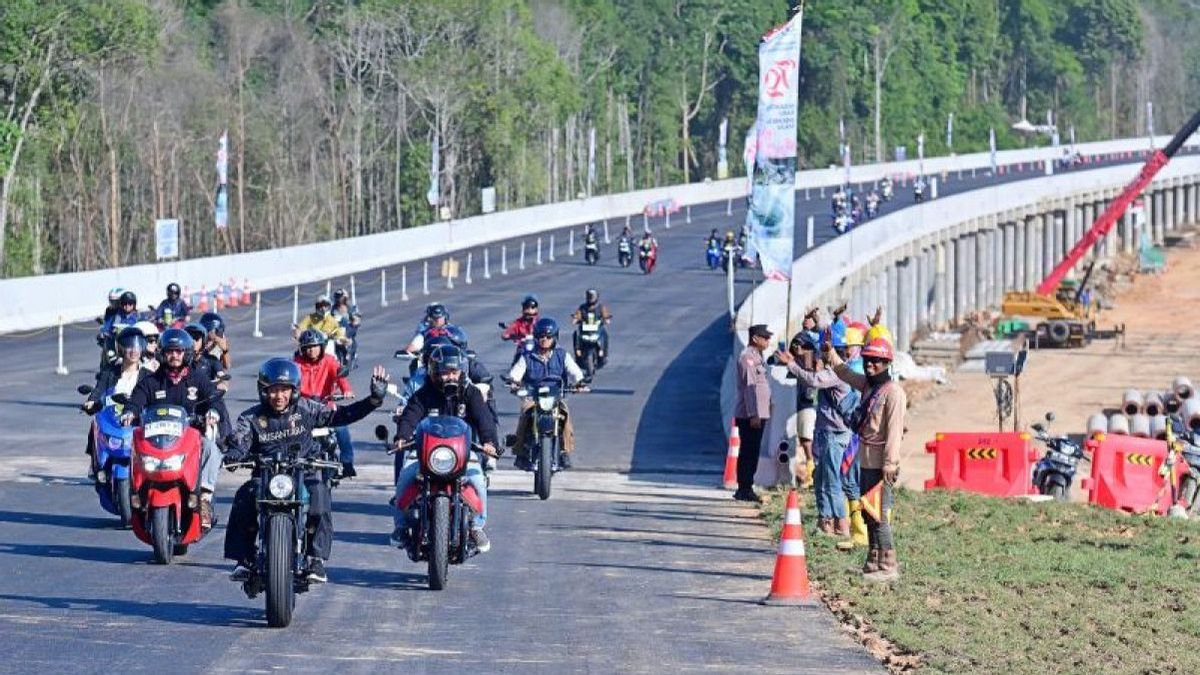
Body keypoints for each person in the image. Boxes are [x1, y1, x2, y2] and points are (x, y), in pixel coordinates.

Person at [223, 359, 390, 583]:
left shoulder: (307, 408)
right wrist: (235, 452)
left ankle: (315, 558)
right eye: (273, 390)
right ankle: (243, 559)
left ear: (294, 390)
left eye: (284, 390)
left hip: (305, 471)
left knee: (320, 493)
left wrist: (374, 401)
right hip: (266, 476)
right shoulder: (251, 418)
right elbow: (240, 440)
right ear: (263, 391)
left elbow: (341, 416)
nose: (279, 396)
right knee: (244, 496)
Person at [390, 345, 497, 553]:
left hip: (463, 453)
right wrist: (402, 437)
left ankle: (477, 527)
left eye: (454, 372)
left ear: (461, 371)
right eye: (445, 372)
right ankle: (401, 527)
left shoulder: (470, 393)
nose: (450, 376)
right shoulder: (424, 394)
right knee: (404, 476)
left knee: (478, 480)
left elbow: (485, 419)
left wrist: (489, 442)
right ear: (434, 371)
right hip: (425, 452)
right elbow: (411, 415)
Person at [123, 328, 231, 532]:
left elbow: (214, 400)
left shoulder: (198, 378)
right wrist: (129, 412)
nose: (174, 356)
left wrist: (213, 412)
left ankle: (205, 499)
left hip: (189, 438)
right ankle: (137, 494)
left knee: (211, 448)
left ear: (187, 353)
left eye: (179, 351)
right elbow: (136, 400)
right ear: (163, 353)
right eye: (170, 351)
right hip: (158, 440)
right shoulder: (151, 381)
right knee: (133, 447)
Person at [827, 336, 906, 582]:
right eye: (868, 360)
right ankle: (873, 559)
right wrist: (829, 351)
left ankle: (888, 562)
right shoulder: (869, 386)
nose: (870, 365)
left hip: (881, 463)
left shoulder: (893, 393)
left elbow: (894, 431)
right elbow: (844, 373)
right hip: (865, 460)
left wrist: (890, 464)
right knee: (868, 513)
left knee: (879, 514)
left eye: (876, 361)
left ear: (887, 363)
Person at [775, 312, 859, 537]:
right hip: (826, 432)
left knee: (832, 481)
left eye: (825, 351)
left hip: (834, 432)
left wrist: (792, 364)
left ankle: (841, 524)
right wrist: (819, 319)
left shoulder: (839, 373)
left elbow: (813, 380)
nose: (821, 354)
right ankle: (826, 521)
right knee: (821, 478)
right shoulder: (836, 367)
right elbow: (827, 334)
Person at [507, 317, 586, 470]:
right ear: (536, 337)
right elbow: (515, 374)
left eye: (548, 337)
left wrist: (579, 383)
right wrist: (514, 383)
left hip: (555, 397)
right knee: (525, 414)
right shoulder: (527, 357)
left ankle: (564, 452)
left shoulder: (562, 355)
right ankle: (520, 453)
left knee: (565, 415)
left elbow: (576, 373)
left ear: (555, 338)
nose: (544, 340)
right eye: (541, 336)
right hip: (533, 398)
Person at [82, 326, 152, 477]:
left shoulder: (148, 376)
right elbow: (99, 390)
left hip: (139, 419)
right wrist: (91, 401)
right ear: (120, 348)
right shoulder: (110, 372)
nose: (133, 350)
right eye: (128, 346)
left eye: (137, 345)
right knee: (96, 422)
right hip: (112, 416)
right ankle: (96, 461)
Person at [293, 328, 358, 477]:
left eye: (314, 346)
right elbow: (290, 382)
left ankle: (347, 462)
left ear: (321, 347)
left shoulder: (329, 361)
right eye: (307, 347)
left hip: (326, 405)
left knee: (341, 426)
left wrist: (346, 391)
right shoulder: (296, 364)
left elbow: (340, 377)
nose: (311, 350)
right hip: (303, 408)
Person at [732, 324, 775, 503]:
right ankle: (744, 488)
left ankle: (747, 486)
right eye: (764, 338)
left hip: (758, 413)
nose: (767, 341)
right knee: (748, 451)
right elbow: (750, 389)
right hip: (751, 415)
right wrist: (754, 414)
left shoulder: (757, 356)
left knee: (753, 450)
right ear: (755, 338)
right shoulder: (748, 358)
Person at [571, 288, 613, 367]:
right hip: (585, 331)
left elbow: (606, 316)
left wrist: (606, 319)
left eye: (592, 297)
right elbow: (577, 315)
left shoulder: (600, 307)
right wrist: (576, 319)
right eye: (589, 297)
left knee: (605, 334)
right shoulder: (582, 307)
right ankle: (578, 352)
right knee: (576, 334)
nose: (591, 299)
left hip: (596, 330)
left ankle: (604, 353)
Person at [331, 288, 361, 368]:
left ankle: (351, 357)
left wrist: (354, 323)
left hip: (348, 331)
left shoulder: (351, 309)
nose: (339, 300)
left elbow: (356, 321)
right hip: (335, 332)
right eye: (337, 297)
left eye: (341, 297)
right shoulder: (332, 310)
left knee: (350, 343)